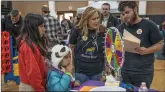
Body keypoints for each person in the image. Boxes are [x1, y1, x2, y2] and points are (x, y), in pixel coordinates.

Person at [117, 1, 163, 88]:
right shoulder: (121, 27)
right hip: (125, 70)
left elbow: (159, 44)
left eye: (127, 12)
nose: (125, 16)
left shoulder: (149, 25)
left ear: (135, 9)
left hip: (143, 71)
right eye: (123, 14)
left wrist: (147, 51)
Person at [69, 7, 110, 84]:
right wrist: (71, 65)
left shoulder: (103, 30)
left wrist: (107, 66)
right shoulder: (77, 30)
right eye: (93, 19)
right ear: (86, 20)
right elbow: (71, 47)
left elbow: (108, 49)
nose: (97, 21)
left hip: (98, 72)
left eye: (98, 18)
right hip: (80, 72)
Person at [17, 13, 48, 91]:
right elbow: (33, 73)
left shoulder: (32, 43)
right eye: (41, 26)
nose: (44, 29)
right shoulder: (28, 46)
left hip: (34, 85)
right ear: (33, 28)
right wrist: (40, 89)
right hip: (31, 87)